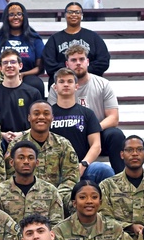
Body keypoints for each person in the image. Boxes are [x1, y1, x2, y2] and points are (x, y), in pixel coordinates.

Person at [51, 45, 125, 173]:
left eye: (81, 59)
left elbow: (113, 118)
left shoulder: (103, 84)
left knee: (116, 135)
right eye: (74, 60)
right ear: (67, 64)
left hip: (98, 132)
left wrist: (91, 129)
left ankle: (120, 179)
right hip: (69, 131)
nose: (78, 63)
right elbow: (52, 116)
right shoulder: (56, 87)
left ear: (88, 62)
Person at [99, 135, 144, 240]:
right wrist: (130, 227)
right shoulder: (107, 186)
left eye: (139, 150)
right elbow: (103, 219)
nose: (135, 153)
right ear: (122, 154)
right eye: (129, 150)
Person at [49, 68, 113, 183]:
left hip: (80, 166)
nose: (66, 84)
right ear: (55, 87)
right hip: (53, 168)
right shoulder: (47, 114)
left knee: (104, 170)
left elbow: (96, 145)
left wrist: (83, 164)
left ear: (76, 86)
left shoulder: (87, 113)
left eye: (70, 81)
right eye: (61, 82)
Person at [0, 140, 63, 226]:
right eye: (21, 158)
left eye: (30, 158)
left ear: (37, 163)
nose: (26, 161)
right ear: (12, 162)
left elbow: (56, 226)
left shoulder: (51, 191)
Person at [24, 99, 78, 213]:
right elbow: (10, 176)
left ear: (52, 118)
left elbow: (71, 177)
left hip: (58, 197)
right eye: (36, 113)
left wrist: (54, 195)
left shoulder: (63, 144)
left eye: (46, 114)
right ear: (29, 117)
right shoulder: (18, 144)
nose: (41, 117)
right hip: (24, 196)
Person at [0, 2, 45, 95]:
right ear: (6, 18)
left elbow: (39, 68)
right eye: (11, 14)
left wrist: (23, 74)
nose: (15, 17)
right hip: (2, 77)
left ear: (24, 17)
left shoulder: (34, 38)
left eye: (19, 14)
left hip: (27, 76)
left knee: (36, 84)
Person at [0, 49, 42, 143]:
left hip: (27, 141)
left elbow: (40, 124)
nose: (9, 65)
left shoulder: (33, 93)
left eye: (13, 62)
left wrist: (21, 134)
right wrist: (2, 135)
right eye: (5, 63)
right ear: (0, 68)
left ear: (20, 66)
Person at [41, 2, 111, 81]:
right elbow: (50, 66)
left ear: (81, 15)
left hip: (89, 80)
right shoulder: (54, 39)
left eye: (77, 12)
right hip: (63, 81)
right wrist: (71, 70)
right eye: (70, 12)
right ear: (65, 15)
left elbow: (103, 62)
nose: (73, 15)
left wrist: (82, 70)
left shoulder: (93, 37)